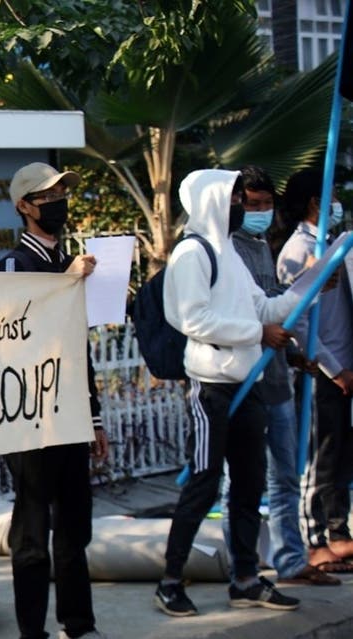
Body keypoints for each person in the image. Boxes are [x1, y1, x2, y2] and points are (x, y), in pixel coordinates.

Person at [154, 169, 301, 617]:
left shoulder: (231, 256)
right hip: (211, 389)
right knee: (203, 483)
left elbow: (266, 307)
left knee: (248, 486)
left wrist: (308, 285)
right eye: (236, 196)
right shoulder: (191, 254)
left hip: (247, 384)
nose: (241, 204)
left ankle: (246, 578)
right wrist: (256, 333)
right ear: (214, 200)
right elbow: (191, 319)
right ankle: (170, 581)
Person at [0, 162, 109, 639]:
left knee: (74, 530)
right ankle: (31, 631)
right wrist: (65, 281)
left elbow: (78, 347)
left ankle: (79, 624)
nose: (58, 204)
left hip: (72, 418)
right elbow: (13, 337)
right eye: (48, 197)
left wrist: (96, 416)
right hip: (29, 424)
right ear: (24, 207)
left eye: (63, 194)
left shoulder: (71, 264)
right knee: (32, 535)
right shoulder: (13, 266)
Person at [219, 166, 339, 586]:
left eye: (267, 204)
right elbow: (218, 317)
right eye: (253, 205)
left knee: (285, 475)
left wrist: (292, 354)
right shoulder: (223, 252)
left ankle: (291, 560)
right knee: (241, 482)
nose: (261, 212)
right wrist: (265, 332)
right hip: (241, 381)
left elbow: (274, 307)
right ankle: (242, 566)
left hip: (275, 381)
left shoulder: (263, 247)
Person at [275, 168, 353, 575]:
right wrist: (334, 368)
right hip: (324, 369)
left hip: (344, 365)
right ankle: (315, 539)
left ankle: (339, 533)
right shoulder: (299, 251)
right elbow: (299, 321)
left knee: (341, 454)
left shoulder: (335, 244)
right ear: (314, 202)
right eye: (333, 193)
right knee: (320, 456)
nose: (338, 199)